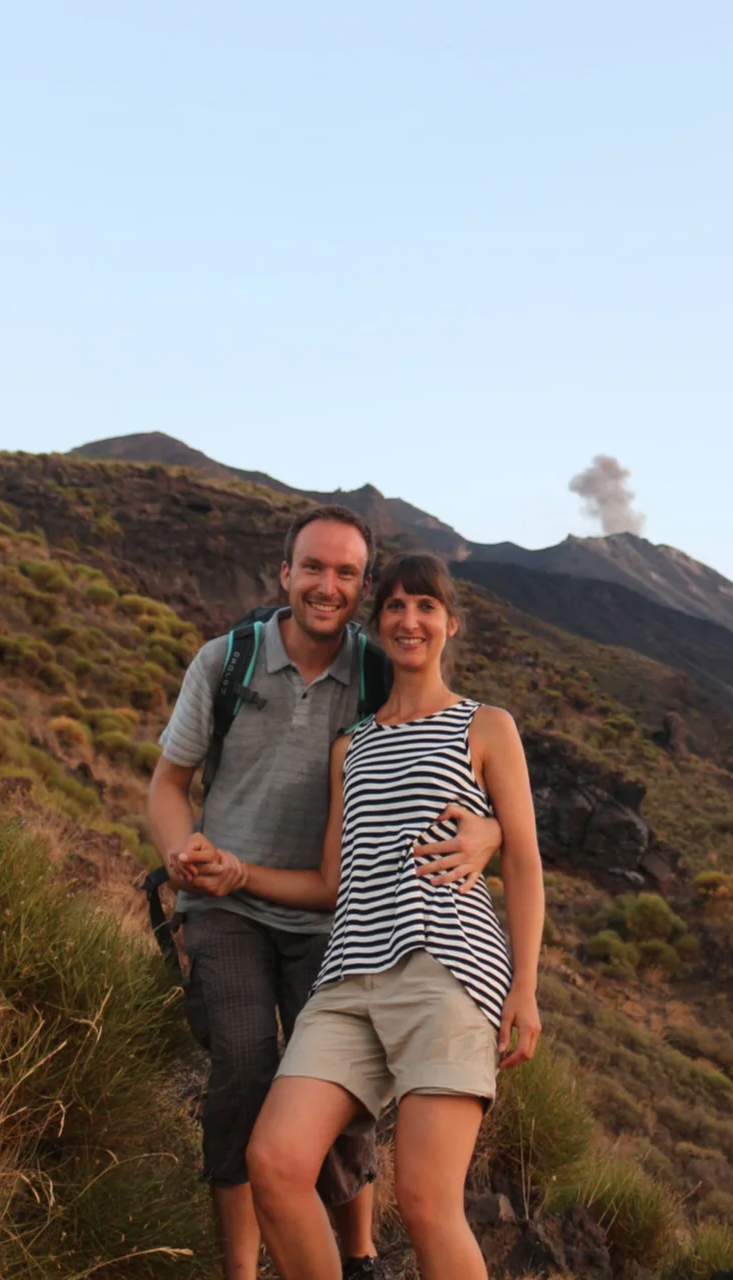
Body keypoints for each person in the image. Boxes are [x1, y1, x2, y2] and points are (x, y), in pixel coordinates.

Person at [148, 510, 503, 1280]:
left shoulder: (378, 669)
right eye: (313, 567)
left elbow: (445, 762)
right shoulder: (228, 661)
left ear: (362, 588)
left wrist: (494, 829)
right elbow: (168, 784)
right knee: (246, 1065)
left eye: (346, 573)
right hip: (230, 907)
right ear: (285, 573)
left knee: (344, 1103)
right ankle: (241, 1270)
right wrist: (181, 853)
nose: (327, 585)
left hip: (337, 921)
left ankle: (360, 1254)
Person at [227, 553, 546, 1280]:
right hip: (346, 983)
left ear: (451, 624)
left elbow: (524, 862)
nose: (410, 620)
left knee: (427, 1201)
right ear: (378, 625)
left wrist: (525, 988)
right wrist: (236, 873)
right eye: (396, 606)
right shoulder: (352, 746)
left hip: (447, 973)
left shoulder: (485, 726)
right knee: (275, 1163)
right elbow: (331, 882)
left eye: (426, 606)